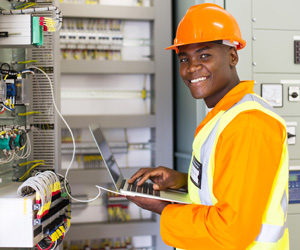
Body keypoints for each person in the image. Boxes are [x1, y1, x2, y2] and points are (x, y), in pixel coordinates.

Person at [127, 3, 289, 250]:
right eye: (184, 58)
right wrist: (181, 180)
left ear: (232, 56)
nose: (191, 67)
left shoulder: (248, 124)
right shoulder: (225, 115)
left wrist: (161, 207)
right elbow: (223, 189)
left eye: (204, 55)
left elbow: (230, 231)